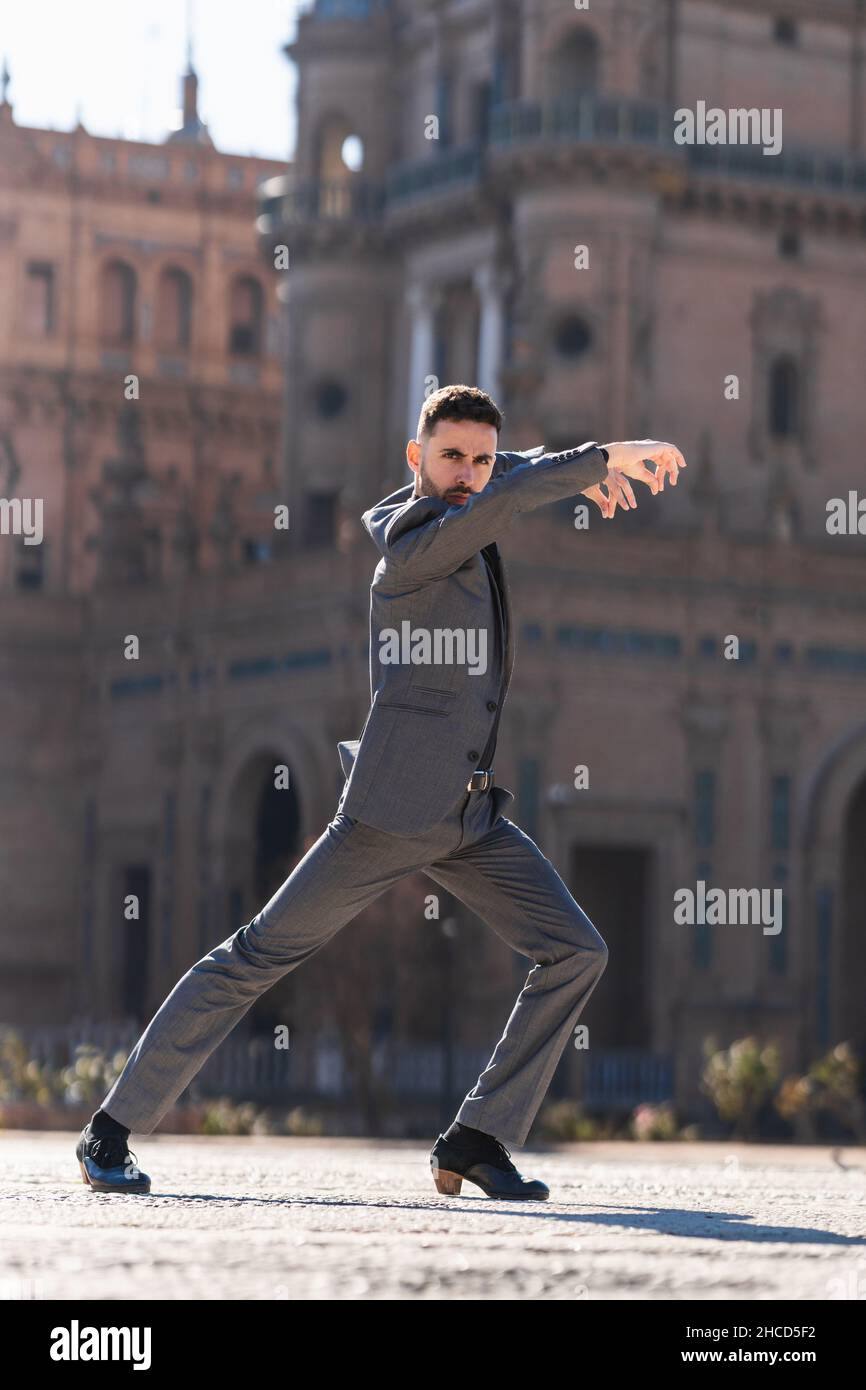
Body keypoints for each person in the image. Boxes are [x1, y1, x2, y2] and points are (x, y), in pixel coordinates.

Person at [76, 384, 685, 1200]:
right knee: (254, 957)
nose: (466, 472)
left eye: (479, 459)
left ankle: (476, 1137)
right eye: (450, 457)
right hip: (390, 815)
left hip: (468, 817)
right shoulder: (412, 546)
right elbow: (496, 502)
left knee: (577, 951)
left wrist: (578, 470)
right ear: (415, 459)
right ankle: (109, 1130)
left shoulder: (479, 502)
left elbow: (506, 483)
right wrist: (599, 460)